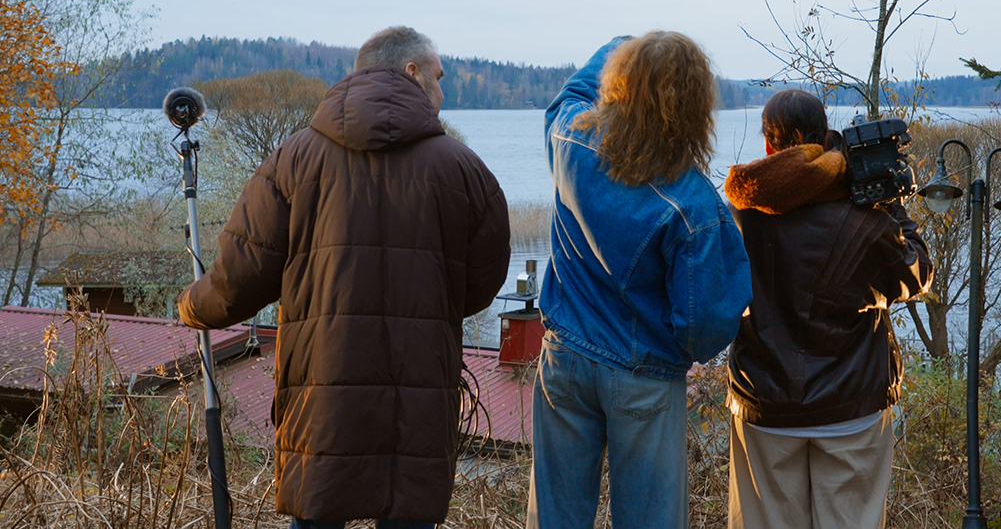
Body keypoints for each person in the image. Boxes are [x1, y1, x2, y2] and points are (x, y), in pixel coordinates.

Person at [177, 26, 511, 529]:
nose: (444, 92)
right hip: (417, 390)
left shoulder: (293, 159)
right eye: (440, 77)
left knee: (318, 510)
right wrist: (423, 305)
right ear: (412, 72)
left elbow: (241, 276)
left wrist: (191, 307)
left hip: (321, 389)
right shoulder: (463, 169)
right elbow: (483, 282)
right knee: (408, 511)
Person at [526, 32, 753, 529]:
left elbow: (574, 90)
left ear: (618, 84)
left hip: (565, 356)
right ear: (694, 109)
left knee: (555, 519)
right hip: (645, 377)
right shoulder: (694, 206)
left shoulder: (569, 138)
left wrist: (632, 46)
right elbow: (708, 325)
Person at [722, 89, 933, 529]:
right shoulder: (864, 217)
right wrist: (892, 206)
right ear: (824, 139)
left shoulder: (738, 216)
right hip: (851, 407)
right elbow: (915, 274)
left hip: (764, 405)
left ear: (767, 146)